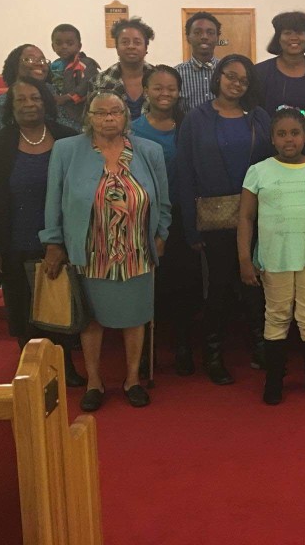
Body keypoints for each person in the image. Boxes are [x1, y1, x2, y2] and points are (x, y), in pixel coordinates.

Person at [41, 92, 171, 412]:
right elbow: (53, 200)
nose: (109, 118)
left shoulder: (149, 151)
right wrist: (54, 242)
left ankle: (132, 380)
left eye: (116, 112)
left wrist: (161, 234)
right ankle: (95, 381)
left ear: (127, 116)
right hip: (90, 248)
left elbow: (163, 202)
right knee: (91, 320)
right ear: (89, 116)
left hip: (136, 248)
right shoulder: (66, 150)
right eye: (101, 113)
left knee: (136, 317)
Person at [0, 76, 84, 386]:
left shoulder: (68, 138)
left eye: (35, 98)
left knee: (61, 308)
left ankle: (65, 367)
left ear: (45, 102)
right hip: (14, 242)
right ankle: (32, 371)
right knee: (23, 311)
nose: (29, 104)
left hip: (63, 240)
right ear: (11, 107)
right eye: (20, 99)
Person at [238, 107, 305, 405]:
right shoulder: (258, 171)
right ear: (272, 138)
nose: (289, 139)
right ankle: (274, 380)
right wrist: (245, 260)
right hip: (275, 258)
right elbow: (246, 218)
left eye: (295, 133)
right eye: (282, 134)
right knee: (277, 316)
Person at [175, 55, 273, 378]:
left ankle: (261, 347)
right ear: (218, 77)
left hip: (257, 216)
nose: (236, 83)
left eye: (243, 80)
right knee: (217, 287)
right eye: (230, 76)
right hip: (212, 218)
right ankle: (213, 355)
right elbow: (185, 173)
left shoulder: (259, 117)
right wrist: (190, 227)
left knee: (255, 284)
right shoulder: (196, 118)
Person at [131, 65, 202, 380]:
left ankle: (184, 344)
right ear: (146, 90)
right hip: (142, 219)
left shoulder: (189, 127)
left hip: (181, 215)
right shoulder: (131, 130)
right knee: (148, 285)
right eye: (158, 87)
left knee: (184, 283)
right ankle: (146, 349)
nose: (165, 94)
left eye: (171, 88)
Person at [0, 44, 54, 179]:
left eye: (42, 60)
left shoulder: (59, 101)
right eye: (30, 59)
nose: (38, 64)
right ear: (15, 66)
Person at [254, 11, 305, 113]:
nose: (294, 38)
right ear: (278, 39)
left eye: (299, 33)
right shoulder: (260, 72)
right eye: (287, 33)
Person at [92, 17, 156, 119]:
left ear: (146, 48)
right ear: (117, 48)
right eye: (125, 42)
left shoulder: (159, 78)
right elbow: (91, 120)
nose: (131, 46)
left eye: (137, 42)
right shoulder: (99, 81)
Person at [49, 23, 100, 130]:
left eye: (70, 43)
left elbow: (87, 85)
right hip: (60, 114)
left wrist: (66, 97)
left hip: (81, 114)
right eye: (59, 43)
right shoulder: (54, 65)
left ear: (79, 46)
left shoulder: (85, 63)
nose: (64, 46)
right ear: (53, 46)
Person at [177, 12, 221, 109]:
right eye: (197, 32)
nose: (204, 37)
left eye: (210, 33)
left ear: (217, 38)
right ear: (188, 38)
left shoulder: (226, 71)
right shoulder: (177, 74)